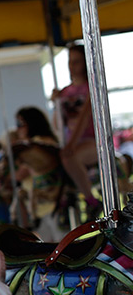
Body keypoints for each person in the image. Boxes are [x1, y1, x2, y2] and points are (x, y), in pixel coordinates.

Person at [52, 44, 102, 216]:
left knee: (69, 157)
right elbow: (58, 125)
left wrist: (71, 144)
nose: (72, 66)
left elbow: (83, 119)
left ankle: (92, 201)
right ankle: (65, 200)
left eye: (77, 62)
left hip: (91, 141)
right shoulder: (64, 92)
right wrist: (55, 104)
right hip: (71, 142)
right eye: (70, 62)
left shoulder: (92, 88)